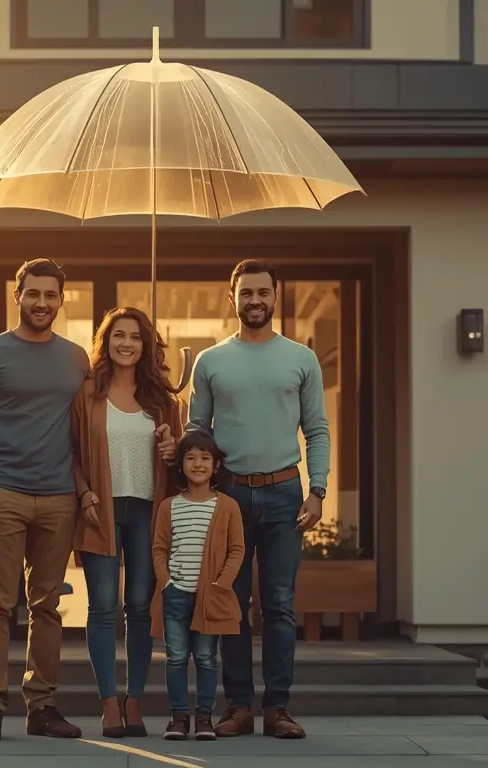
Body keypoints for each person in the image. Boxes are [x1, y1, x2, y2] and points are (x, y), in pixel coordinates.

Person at [186, 259, 330, 740]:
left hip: (286, 493)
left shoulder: (300, 358)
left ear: (275, 295)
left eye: (262, 293)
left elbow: (317, 430)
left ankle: (279, 709)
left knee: (280, 606)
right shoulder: (210, 361)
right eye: (246, 293)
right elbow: (196, 434)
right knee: (228, 603)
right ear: (233, 298)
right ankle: (238, 707)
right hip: (227, 495)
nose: (254, 301)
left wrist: (318, 489)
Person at [0, 258, 90, 742]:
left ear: (60, 299)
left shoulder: (76, 358)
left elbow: (88, 431)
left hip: (59, 498)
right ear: (18, 296)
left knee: (48, 607)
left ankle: (43, 707)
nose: (42, 303)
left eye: (51, 295)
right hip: (3, 494)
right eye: (33, 294)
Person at [70, 306, 180, 738]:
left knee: (138, 607)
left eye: (135, 336)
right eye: (119, 335)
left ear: (145, 345)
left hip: (147, 512)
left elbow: (177, 462)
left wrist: (172, 450)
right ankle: (109, 704)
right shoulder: (87, 394)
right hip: (102, 509)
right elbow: (72, 453)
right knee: (102, 608)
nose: (127, 343)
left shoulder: (164, 402)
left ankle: (135, 701)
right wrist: (83, 492)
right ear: (106, 341)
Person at [151, 430, 245, 741]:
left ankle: (204, 717)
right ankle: (179, 718)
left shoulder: (228, 506)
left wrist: (222, 583)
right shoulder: (169, 507)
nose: (198, 464)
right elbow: (159, 548)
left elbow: (237, 549)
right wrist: (166, 583)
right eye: (190, 458)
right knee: (176, 656)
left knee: (206, 657)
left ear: (216, 465)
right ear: (180, 465)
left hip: (211, 595)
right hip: (177, 594)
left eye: (205, 458)